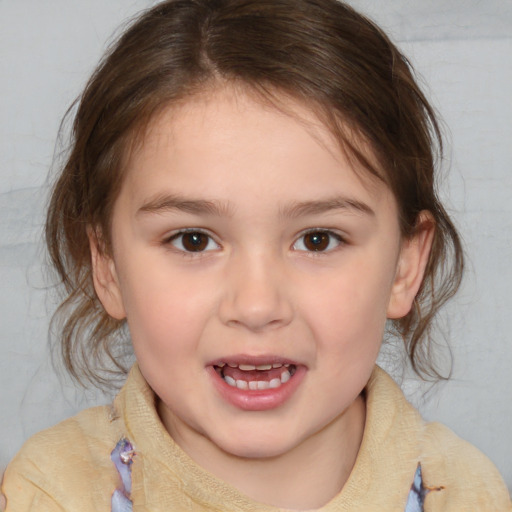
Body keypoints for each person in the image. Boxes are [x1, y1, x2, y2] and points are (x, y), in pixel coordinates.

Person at [2, 0, 510, 510]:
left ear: (404, 267)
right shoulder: (50, 492)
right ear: (107, 264)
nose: (256, 305)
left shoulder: (464, 493)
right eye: (193, 240)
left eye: (318, 240)